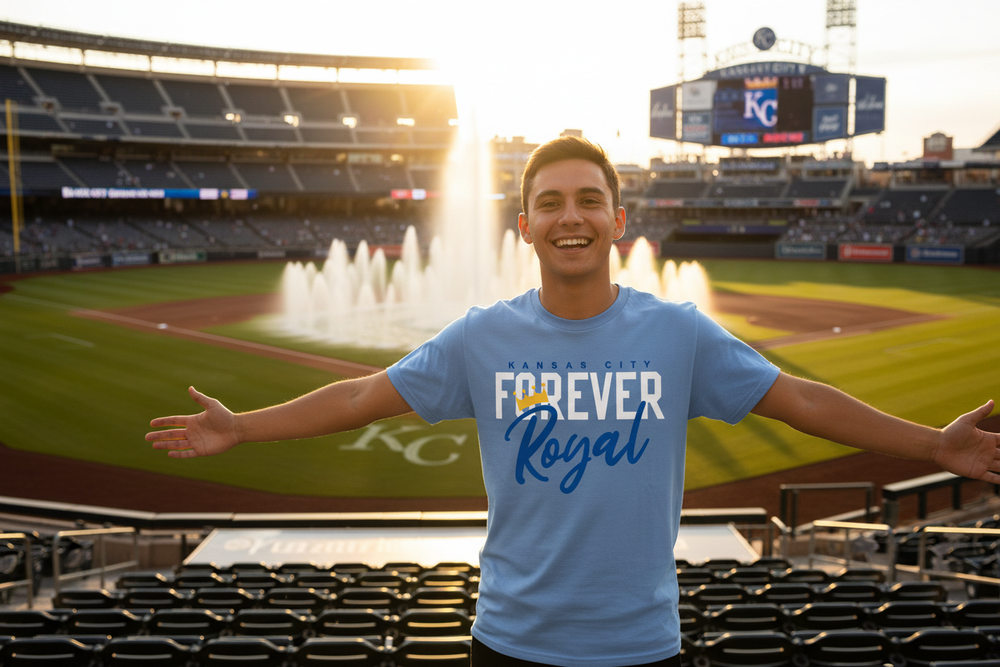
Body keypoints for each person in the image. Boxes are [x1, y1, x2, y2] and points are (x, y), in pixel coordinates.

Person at [147, 136, 1000, 667]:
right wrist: (243, 427)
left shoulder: (679, 333)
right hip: (510, 641)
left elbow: (801, 399)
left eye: (589, 199)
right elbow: (367, 394)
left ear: (618, 219)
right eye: (549, 202)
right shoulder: (482, 335)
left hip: (642, 645)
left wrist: (932, 445)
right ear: (524, 225)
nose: (571, 216)